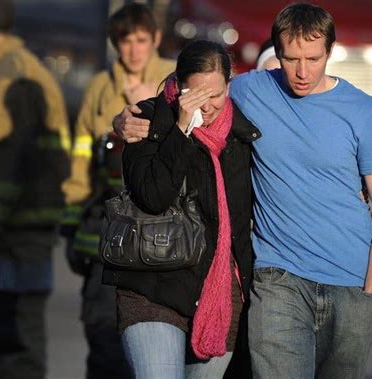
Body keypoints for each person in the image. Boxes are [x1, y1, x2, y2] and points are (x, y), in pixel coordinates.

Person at [113, 3, 372, 378]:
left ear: (330, 51)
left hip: (350, 283)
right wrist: (126, 119)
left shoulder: (365, 112)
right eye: (290, 58)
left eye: (313, 58)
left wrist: (371, 295)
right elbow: (188, 85)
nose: (301, 71)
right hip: (277, 279)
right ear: (276, 52)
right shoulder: (251, 91)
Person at [102, 39, 260, 379]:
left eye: (216, 94)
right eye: (195, 95)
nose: (208, 105)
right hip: (154, 288)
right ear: (178, 84)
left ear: (229, 87)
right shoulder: (147, 120)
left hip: (218, 297)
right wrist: (181, 130)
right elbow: (153, 196)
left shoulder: (242, 135)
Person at [60, 3, 175, 378]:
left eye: (142, 40)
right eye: (126, 41)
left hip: (157, 229)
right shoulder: (99, 88)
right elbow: (81, 157)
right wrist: (73, 217)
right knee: (102, 333)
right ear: (116, 44)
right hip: (105, 225)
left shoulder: (171, 83)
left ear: (155, 39)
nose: (134, 50)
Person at [0, 1, 71, 378]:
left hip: (16, 226)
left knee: (15, 338)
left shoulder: (7, 76)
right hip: (28, 223)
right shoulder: (22, 66)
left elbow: (3, 163)